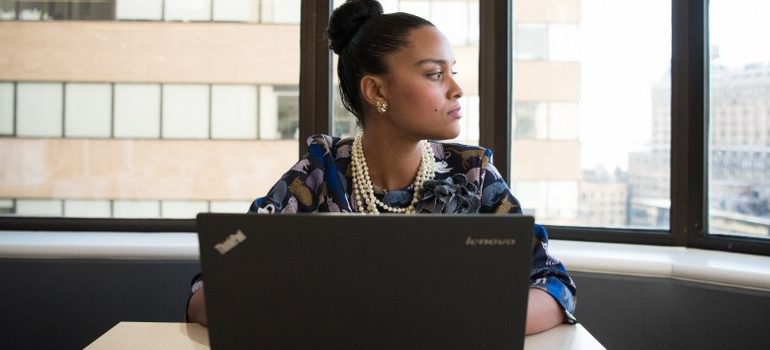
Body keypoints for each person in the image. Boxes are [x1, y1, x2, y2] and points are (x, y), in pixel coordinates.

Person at [187, 0, 576, 335]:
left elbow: (554, 284)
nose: (457, 89)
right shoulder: (319, 173)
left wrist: (459, 322)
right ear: (376, 91)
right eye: (434, 74)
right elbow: (208, 293)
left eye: (452, 72)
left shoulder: (473, 174)